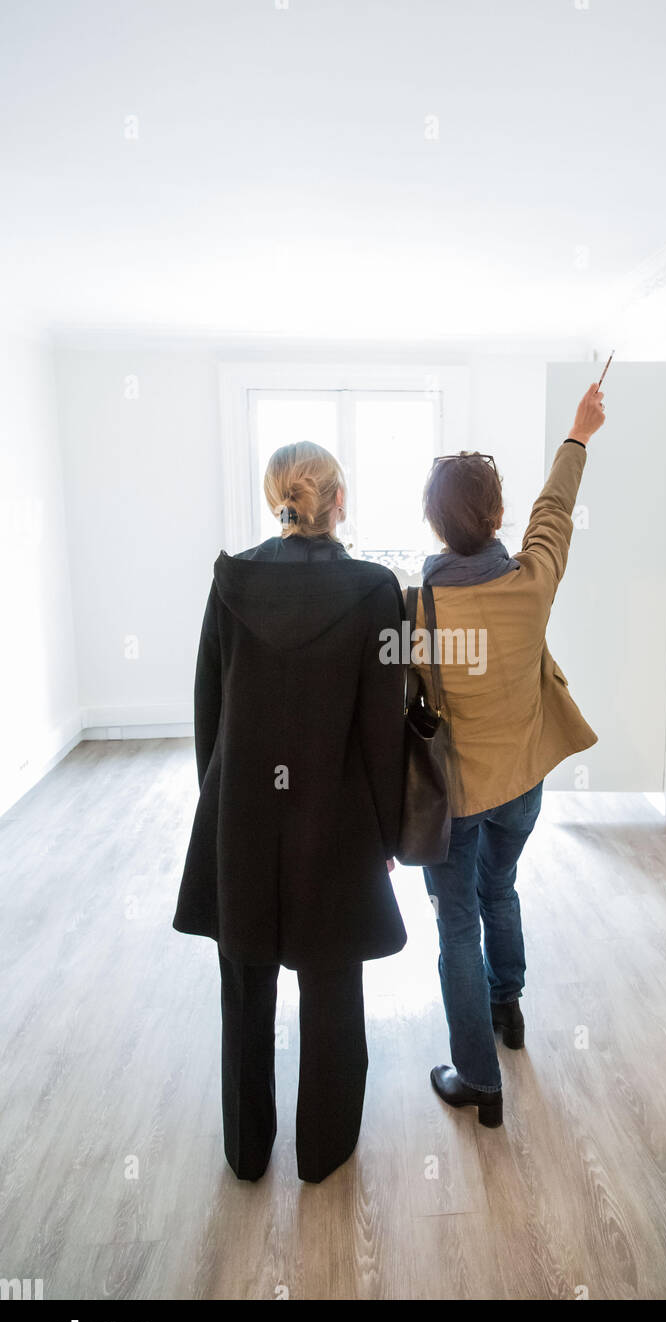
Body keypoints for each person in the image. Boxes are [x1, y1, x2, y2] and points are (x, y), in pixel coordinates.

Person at [173, 442, 406, 1183]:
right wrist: (391, 831)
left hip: (240, 814)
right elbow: (384, 729)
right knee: (332, 986)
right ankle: (325, 1150)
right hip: (334, 824)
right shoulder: (375, 590)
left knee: (244, 985)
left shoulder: (230, 581)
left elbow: (209, 709)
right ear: (340, 502)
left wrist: (221, 801)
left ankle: (246, 1152)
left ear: (277, 498)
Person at [417, 383, 607, 1126]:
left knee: (457, 919)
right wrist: (578, 435)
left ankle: (480, 1081)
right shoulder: (533, 583)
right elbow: (553, 513)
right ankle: (509, 1008)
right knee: (501, 890)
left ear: (434, 527)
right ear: (496, 517)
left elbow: (405, 708)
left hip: (456, 798)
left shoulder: (420, 610)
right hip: (522, 788)